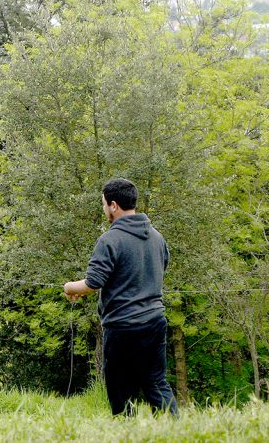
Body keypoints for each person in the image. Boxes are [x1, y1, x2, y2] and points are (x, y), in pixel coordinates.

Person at [64, 178, 177, 416]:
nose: (103, 208)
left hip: (122, 326)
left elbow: (93, 283)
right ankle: (173, 430)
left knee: (119, 388)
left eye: (104, 203)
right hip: (155, 321)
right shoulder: (157, 237)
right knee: (156, 383)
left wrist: (69, 287)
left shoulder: (110, 240)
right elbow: (160, 266)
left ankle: (126, 433)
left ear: (113, 205)